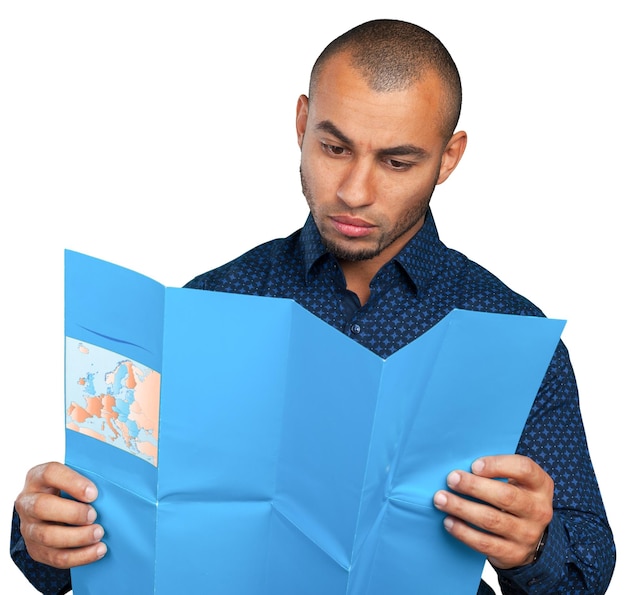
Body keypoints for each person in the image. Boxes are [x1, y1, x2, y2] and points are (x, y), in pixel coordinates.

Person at [11, 19, 615, 595]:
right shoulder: (212, 306)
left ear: (449, 158)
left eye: (397, 161)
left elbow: (588, 571)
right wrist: (42, 530)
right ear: (302, 121)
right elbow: (96, 526)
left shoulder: (511, 337)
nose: (354, 191)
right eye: (334, 147)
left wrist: (533, 547)